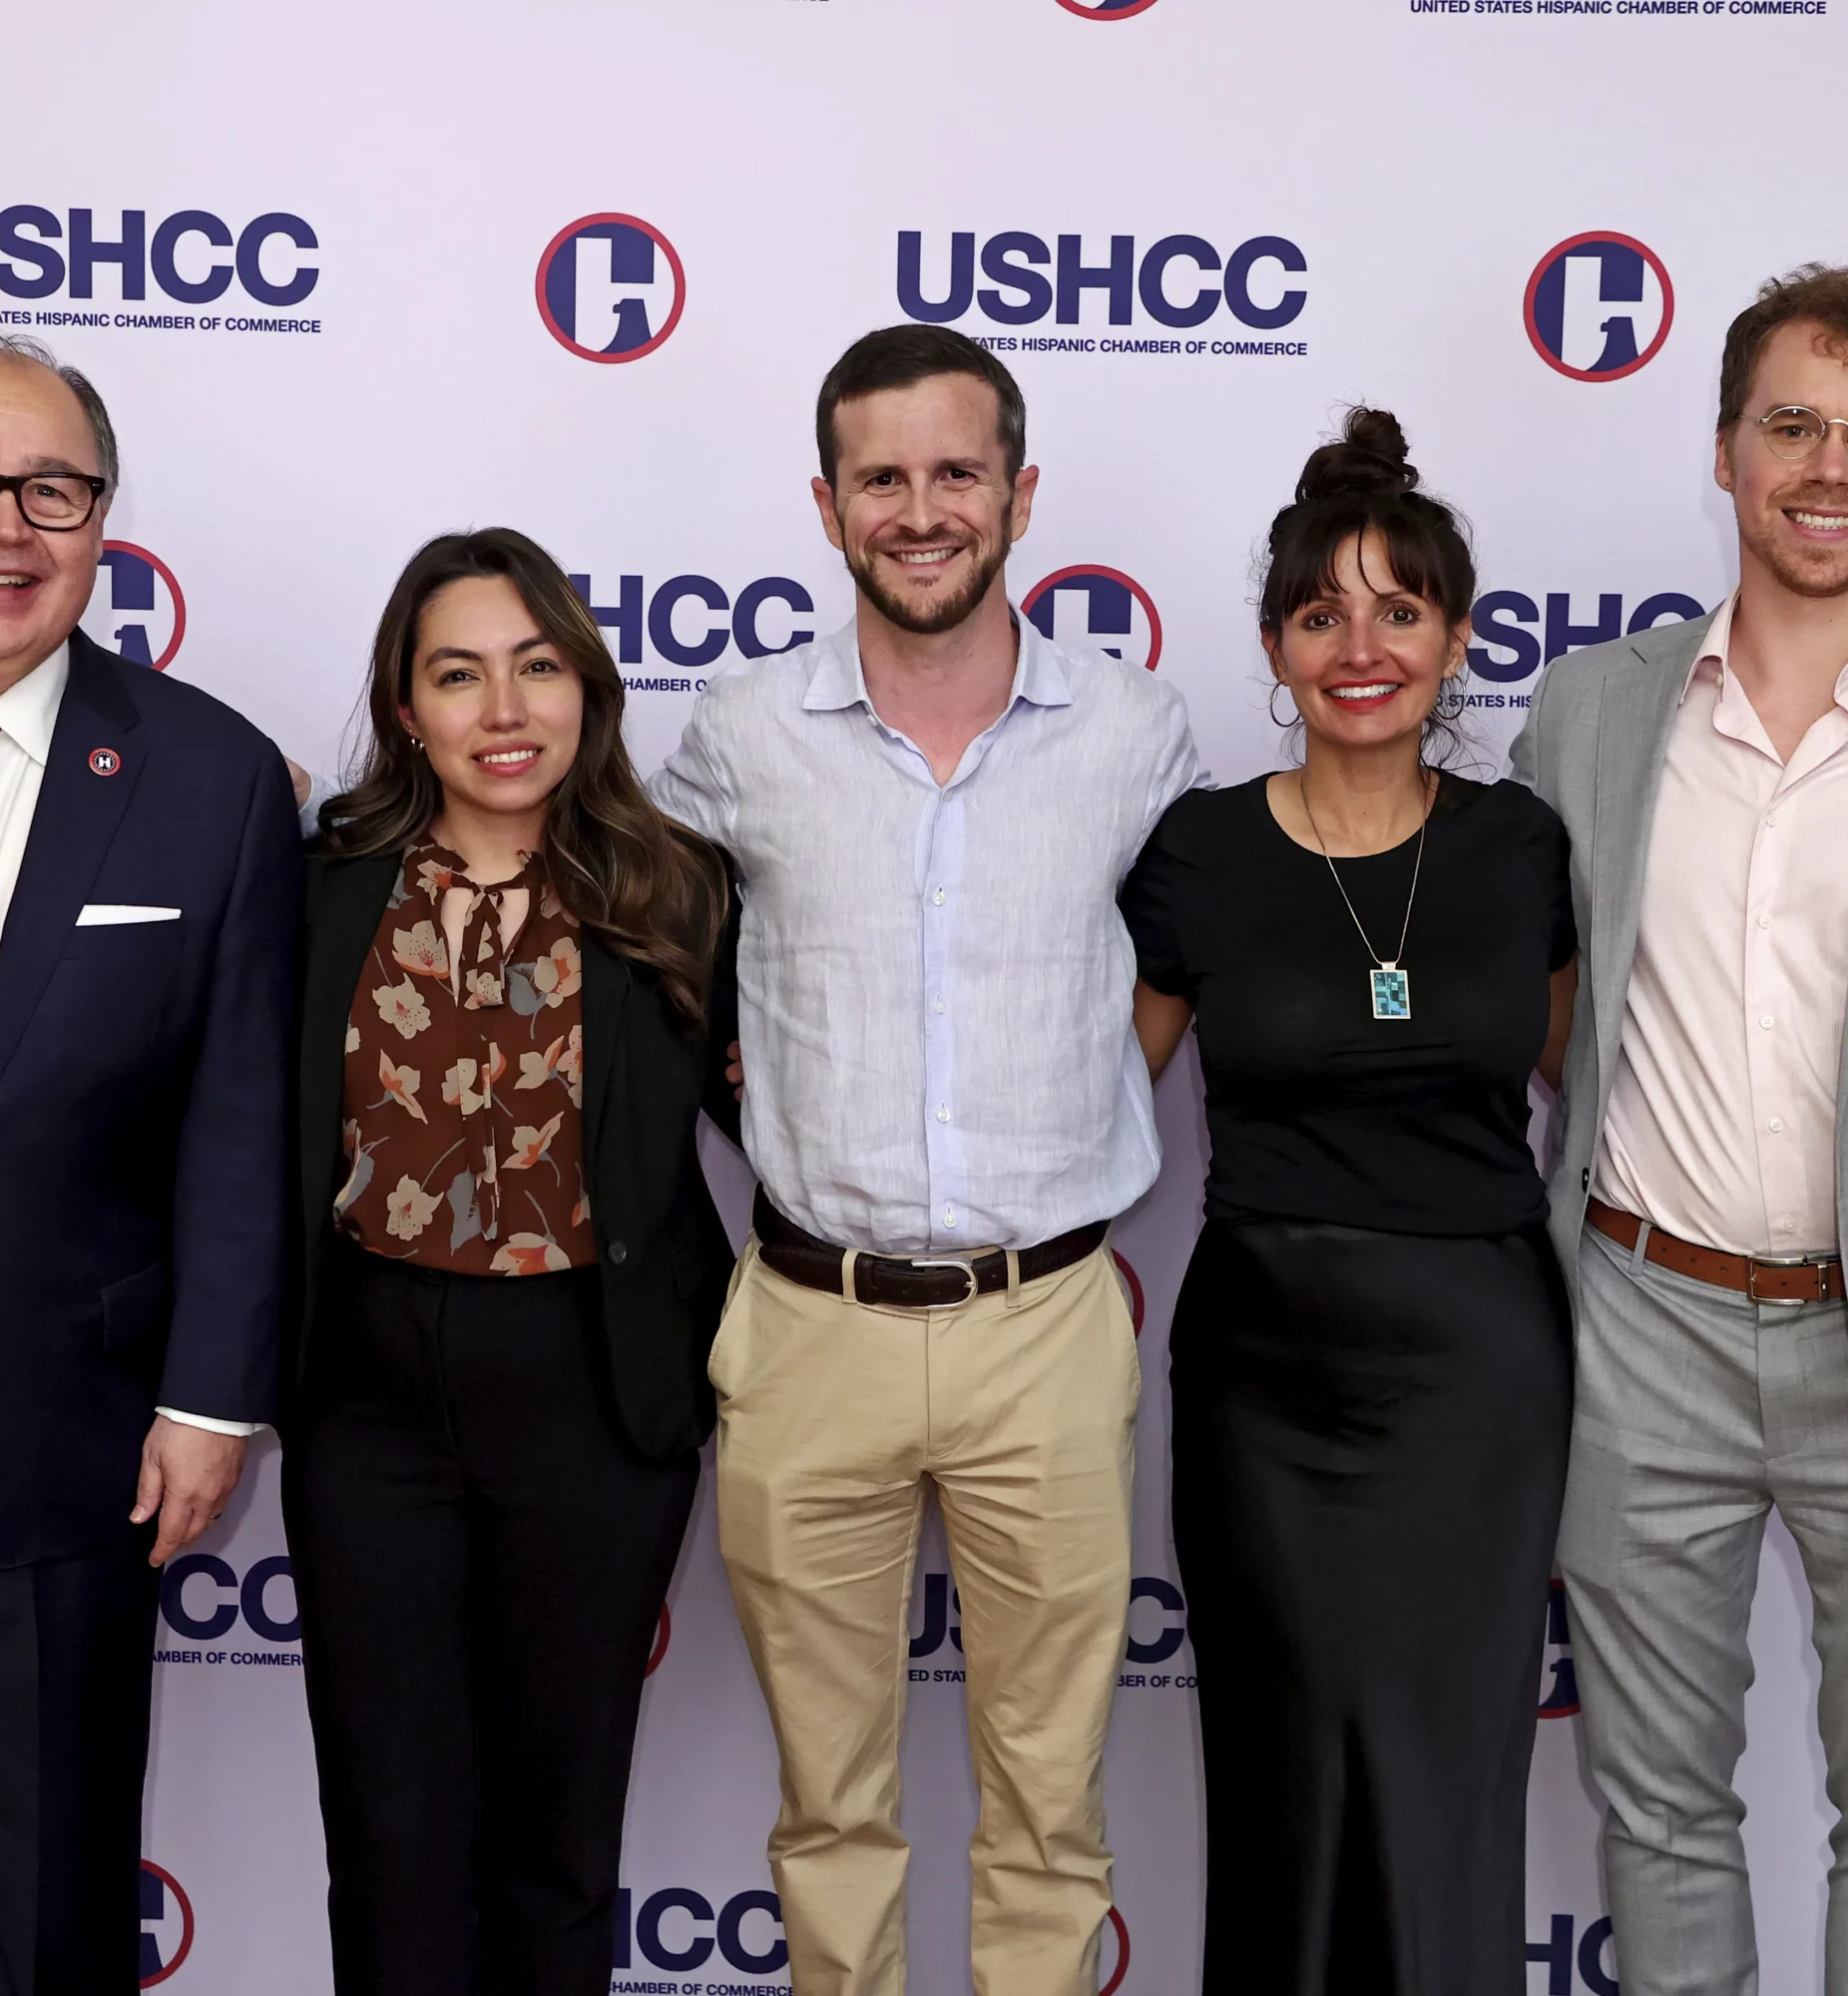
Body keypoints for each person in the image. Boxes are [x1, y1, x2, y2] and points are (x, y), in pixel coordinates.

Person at [650, 323, 1206, 1996]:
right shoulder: (739, 732)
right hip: (810, 1323)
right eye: (880, 478)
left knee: (1051, 1813)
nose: (920, 509)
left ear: (1021, 494)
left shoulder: (1137, 730)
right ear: (825, 507)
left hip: (1045, 1323)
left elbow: (1174, 963)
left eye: (956, 471)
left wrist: (1089, 1101)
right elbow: (651, 961)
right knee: (830, 1811)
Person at [0, 334, 297, 1989]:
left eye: (54, 490)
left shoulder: (209, 779)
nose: (2, 527)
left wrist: (209, 1401)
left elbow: (241, 1116)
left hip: (73, 1439)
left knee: (53, 1911)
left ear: (102, 522)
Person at [1122, 410, 1578, 1996]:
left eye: (1400, 610)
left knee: (1452, 1781)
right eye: (1323, 614)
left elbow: (1598, 1103)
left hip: (1482, 1373)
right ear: (1274, 645)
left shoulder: (1527, 850)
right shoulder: (1197, 855)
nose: (1361, 647)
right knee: (1286, 1778)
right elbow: (1094, 1107)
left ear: (1458, 637)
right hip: (1266, 1379)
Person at [284, 528, 737, 1995]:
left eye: (538, 667)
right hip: (364, 1404)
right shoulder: (321, 890)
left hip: (593, 1400)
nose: (503, 710)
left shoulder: (684, 892)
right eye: (459, 673)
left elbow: (791, 1114)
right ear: (406, 704)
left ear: (588, 690)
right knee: (391, 1835)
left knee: (558, 1839)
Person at [1511, 265, 1848, 1996]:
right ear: (1724, 451)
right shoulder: (1595, 710)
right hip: (1644, 1321)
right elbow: (1533, 991)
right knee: (1655, 1806)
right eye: (1791, 423)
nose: (1825, 463)